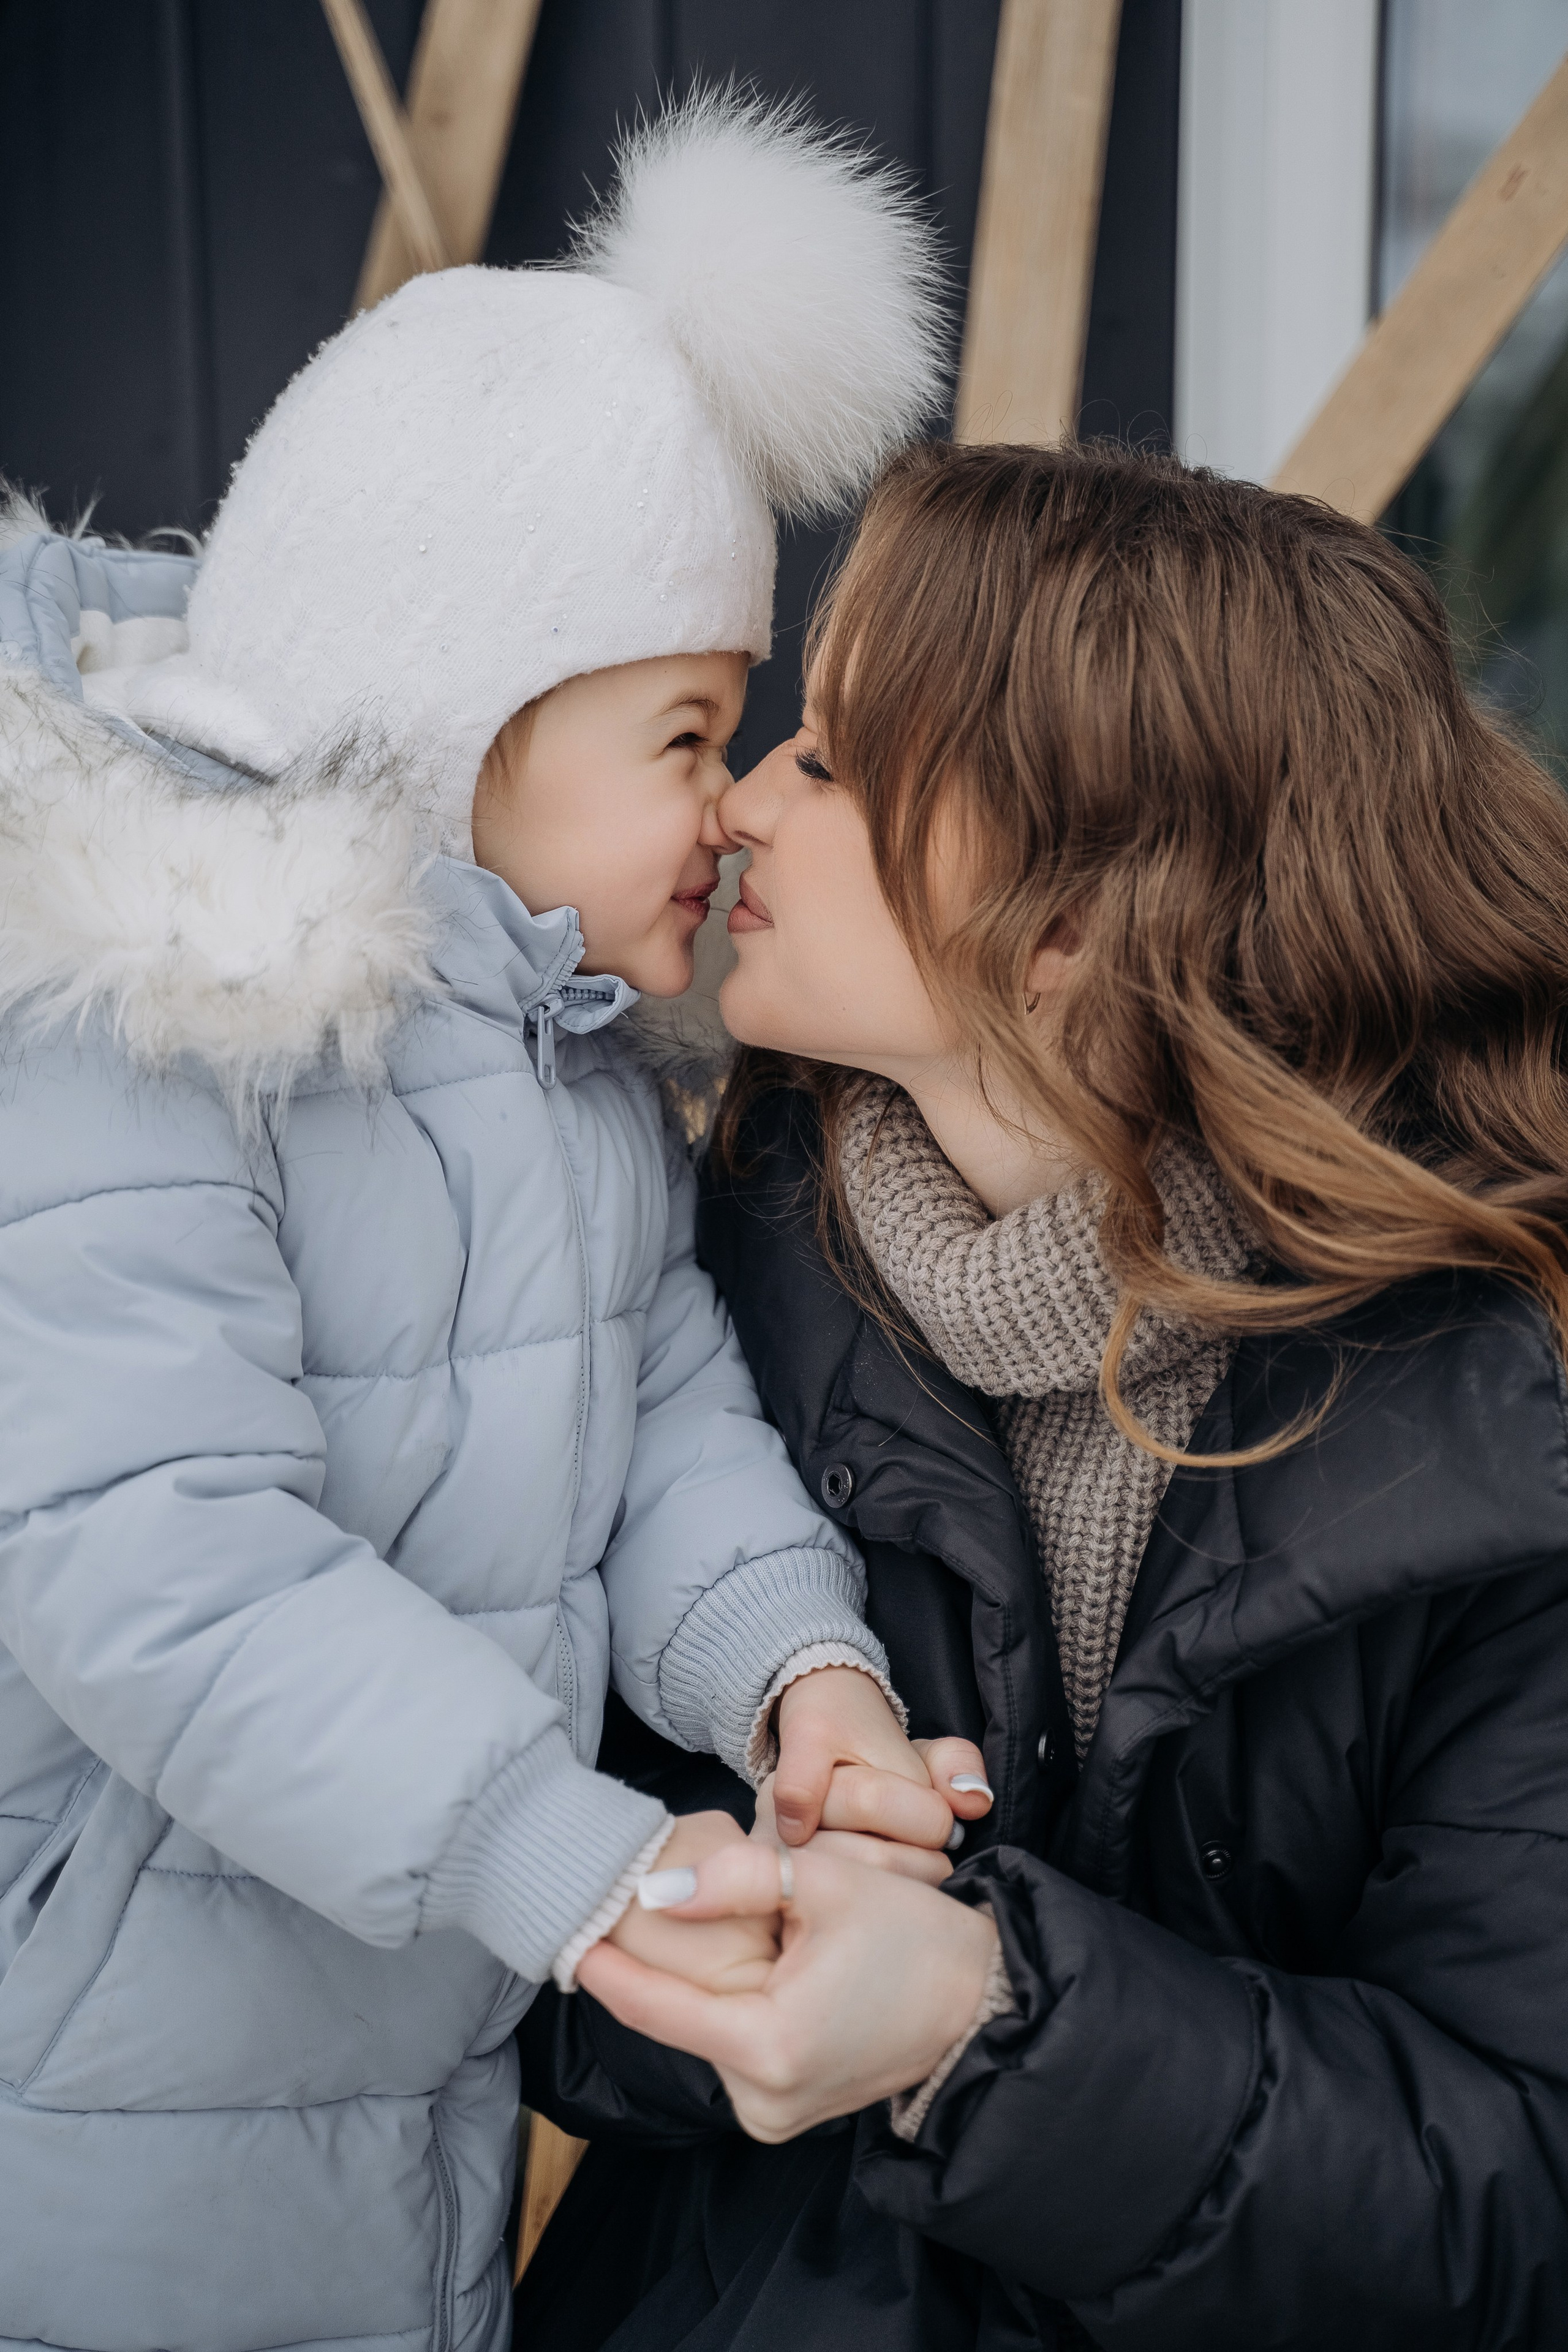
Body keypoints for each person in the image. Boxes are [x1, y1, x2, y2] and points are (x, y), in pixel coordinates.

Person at [0, 98, 973, 2352]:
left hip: (377, 2069)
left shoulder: (559, 1065)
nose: (731, 808)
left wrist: (793, 1675)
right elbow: (162, 1568)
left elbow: (656, 1424)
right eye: (688, 729)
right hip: (92, 2094)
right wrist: (581, 1856)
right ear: (463, 708)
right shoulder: (140, 1022)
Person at [518, 440, 1568, 2350]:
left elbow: (1516, 2204)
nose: (745, 801)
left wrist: (969, 2026)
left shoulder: (1515, 1425)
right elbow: (499, 1929)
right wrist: (719, 1940)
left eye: (829, 762)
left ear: (1071, 919)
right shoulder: (691, 1276)